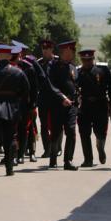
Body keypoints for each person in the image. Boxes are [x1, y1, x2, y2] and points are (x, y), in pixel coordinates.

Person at [0, 45, 30, 176]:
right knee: (10, 138)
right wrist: (16, 101)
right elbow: (26, 90)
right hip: (12, 108)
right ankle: (9, 168)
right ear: (10, 56)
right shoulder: (18, 72)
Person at [77, 49, 111, 167]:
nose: (87, 62)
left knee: (100, 132)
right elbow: (73, 88)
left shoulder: (102, 70)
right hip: (85, 106)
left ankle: (100, 147)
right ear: (81, 60)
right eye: (84, 60)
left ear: (93, 59)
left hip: (100, 105)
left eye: (89, 60)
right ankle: (88, 159)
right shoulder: (78, 72)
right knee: (84, 133)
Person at [47, 40, 78, 170]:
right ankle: (53, 158)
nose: (72, 55)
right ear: (63, 52)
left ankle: (68, 161)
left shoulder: (73, 67)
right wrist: (62, 97)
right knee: (56, 133)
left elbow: (75, 85)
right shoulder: (53, 66)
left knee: (71, 131)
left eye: (72, 52)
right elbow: (51, 84)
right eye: (69, 52)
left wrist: (78, 97)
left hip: (71, 105)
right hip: (57, 104)